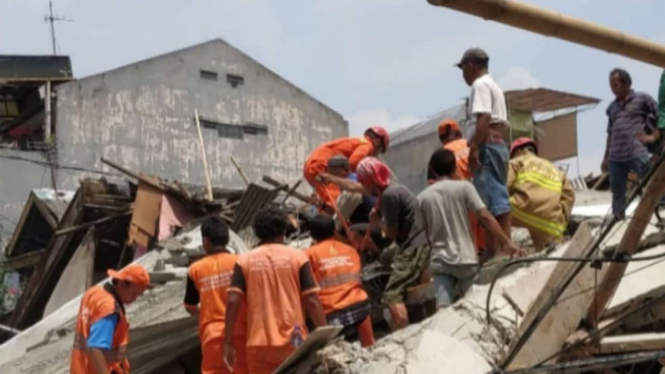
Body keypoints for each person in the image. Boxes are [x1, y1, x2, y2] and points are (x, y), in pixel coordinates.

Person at [223, 207, 327, 374]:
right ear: (284, 230)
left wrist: (227, 342)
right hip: (294, 341)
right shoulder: (298, 257)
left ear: (257, 232)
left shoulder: (244, 260)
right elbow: (311, 300)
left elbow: (233, 300)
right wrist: (325, 335)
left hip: (258, 344)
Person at [419, 149, 524, 308]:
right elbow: (485, 216)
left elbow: (427, 234)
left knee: (443, 311)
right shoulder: (464, 188)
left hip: (440, 263)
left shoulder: (422, 198)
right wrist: (506, 242)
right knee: (476, 306)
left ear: (432, 170)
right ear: (455, 169)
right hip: (465, 261)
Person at [355, 157, 430, 331]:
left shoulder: (389, 196)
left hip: (412, 247)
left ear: (369, 181)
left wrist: (377, 220)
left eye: (363, 183)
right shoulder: (395, 190)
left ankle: (404, 334)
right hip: (420, 243)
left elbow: (390, 233)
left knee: (391, 295)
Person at [456, 47, 512, 256]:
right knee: (489, 203)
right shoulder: (493, 85)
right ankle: (491, 253)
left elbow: (484, 118)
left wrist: (474, 148)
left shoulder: (479, 85)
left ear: (471, 65)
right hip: (494, 143)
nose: (463, 75)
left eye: (463, 69)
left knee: (495, 200)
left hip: (487, 145)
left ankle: (506, 248)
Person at [184, 216, 247, 374]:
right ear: (226, 239)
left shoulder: (195, 270)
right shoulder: (241, 262)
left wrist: (207, 312)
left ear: (205, 242)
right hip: (242, 334)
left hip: (212, 338)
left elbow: (190, 306)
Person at [305, 214, 375, 347]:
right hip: (360, 305)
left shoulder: (307, 255)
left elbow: (308, 293)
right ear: (334, 231)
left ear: (312, 235)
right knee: (369, 347)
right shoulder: (350, 250)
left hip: (332, 312)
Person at [70, 264, 150, 374]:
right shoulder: (110, 309)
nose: (135, 299)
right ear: (121, 284)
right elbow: (95, 347)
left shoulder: (93, 293)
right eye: (134, 294)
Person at [601, 68, 659, 219]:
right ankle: (618, 219)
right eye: (611, 84)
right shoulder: (612, 108)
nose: (613, 87)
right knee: (618, 192)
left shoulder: (642, 99)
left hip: (636, 151)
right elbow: (610, 133)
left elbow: (661, 114)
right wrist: (605, 157)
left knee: (652, 183)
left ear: (626, 83)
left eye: (616, 83)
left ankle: (661, 212)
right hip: (616, 157)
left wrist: (653, 136)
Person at [508, 138, 576, 251]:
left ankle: (496, 251)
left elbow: (505, 186)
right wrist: (560, 220)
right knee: (549, 253)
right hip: (550, 222)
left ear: (518, 151)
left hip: (520, 211)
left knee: (493, 214)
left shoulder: (515, 162)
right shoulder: (556, 169)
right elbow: (569, 196)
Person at [304, 126, 390, 212]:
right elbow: (353, 163)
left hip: (313, 165)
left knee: (325, 201)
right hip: (320, 166)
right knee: (336, 202)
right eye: (380, 150)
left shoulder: (358, 142)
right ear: (378, 142)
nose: (377, 155)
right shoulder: (367, 145)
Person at [437, 119, 486, 255]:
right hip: (481, 192)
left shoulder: (442, 154)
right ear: (458, 132)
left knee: (469, 237)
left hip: (460, 198)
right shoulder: (470, 145)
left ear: (441, 138)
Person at [321, 155, 376, 226]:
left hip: (371, 225)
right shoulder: (348, 186)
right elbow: (339, 213)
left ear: (346, 169)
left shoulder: (352, 188)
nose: (332, 180)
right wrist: (323, 206)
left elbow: (339, 221)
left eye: (334, 175)